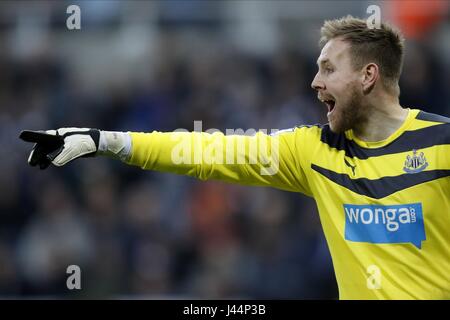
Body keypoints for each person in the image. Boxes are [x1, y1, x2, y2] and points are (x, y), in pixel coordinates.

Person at [20, 16, 450, 299]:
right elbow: (206, 151)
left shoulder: (442, 144)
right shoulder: (313, 151)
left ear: (368, 75)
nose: (315, 82)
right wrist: (104, 140)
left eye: (329, 69)